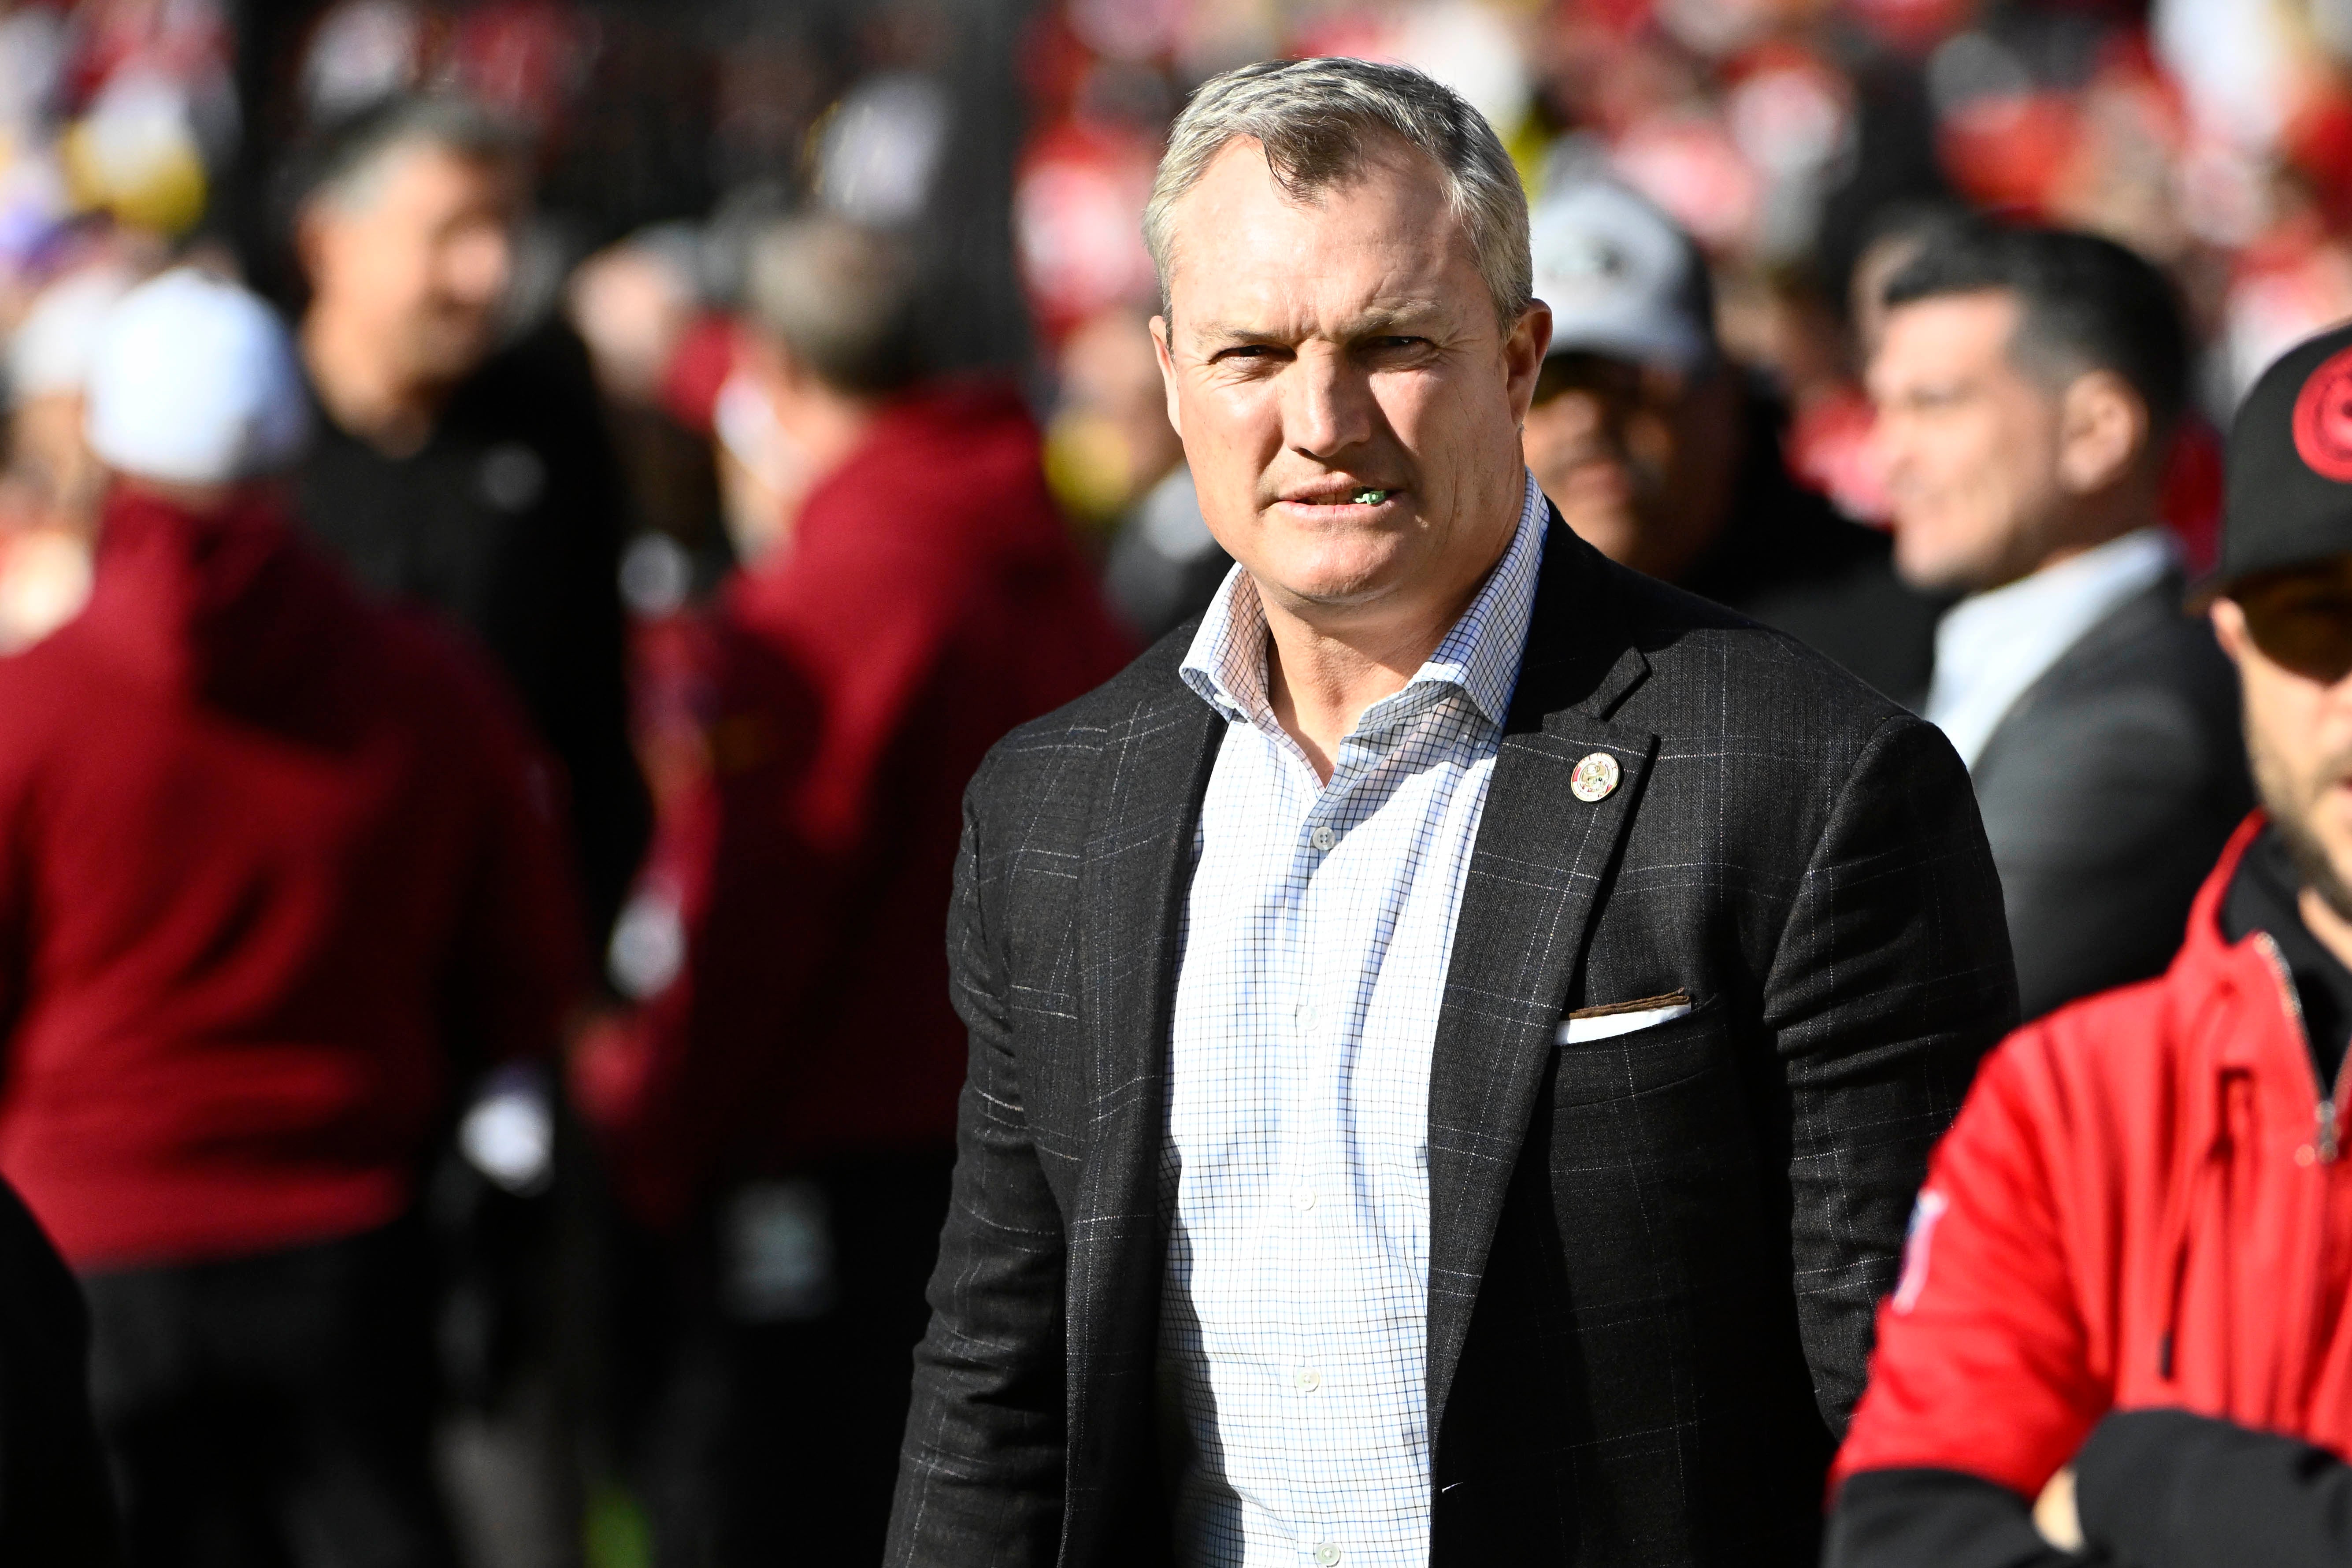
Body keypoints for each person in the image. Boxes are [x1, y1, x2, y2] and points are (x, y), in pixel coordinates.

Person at [886, 58, 2018, 1568]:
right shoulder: (1053, 805)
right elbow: (995, 1389)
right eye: (1251, 353)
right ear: (1167, 375)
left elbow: (1916, 1412)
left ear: (1518, 359)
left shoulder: (1805, 777)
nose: (1321, 419)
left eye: (1393, 343)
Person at [569, 214, 1134, 1566]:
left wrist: (655, 1119)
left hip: (850, 1163)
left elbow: (767, 905)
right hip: (1028, 1127)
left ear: (773, 373)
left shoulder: (845, 585)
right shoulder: (1025, 540)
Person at [0, 267, 583, 1568]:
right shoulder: (426, 687)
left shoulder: (30, 710)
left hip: (88, 1250)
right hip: (347, 1247)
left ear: (105, 456)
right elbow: (521, 970)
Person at [1825, 318, 2352, 1567]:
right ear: (2233, 639)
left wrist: (2148, 1478)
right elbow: (1904, 1531)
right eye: (2316, 621)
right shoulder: (2070, 1099)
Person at [1869, 222, 2252, 1022]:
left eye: (1933, 404)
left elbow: (1914, 1015)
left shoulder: (2148, 723)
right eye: (1884, 406)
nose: (1889, 454)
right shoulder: (1953, 661)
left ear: (2095, 432)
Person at [288, 94, 649, 941]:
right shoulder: (256, 439)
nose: (488, 272)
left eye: (505, 230)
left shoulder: (550, 425)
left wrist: (578, 946)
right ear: (328, 243)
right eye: (450, 232)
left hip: (485, 950)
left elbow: (594, 713)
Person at [1519, 173, 1940, 705]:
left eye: (1628, 377)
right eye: (1545, 382)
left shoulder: (1886, 635)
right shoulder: (1475, 635)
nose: (1586, 418)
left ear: (1726, 388)